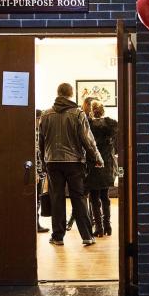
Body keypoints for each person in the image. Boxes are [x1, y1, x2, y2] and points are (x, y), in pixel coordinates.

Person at [39, 83, 103, 246]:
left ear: (58, 93)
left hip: (52, 161)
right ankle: (87, 236)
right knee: (78, 198)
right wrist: (97, 157)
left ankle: (58, 237)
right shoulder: (78, 113)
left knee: (57, 198)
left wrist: (44, 162)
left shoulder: (46, 114)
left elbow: (41, 141)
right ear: (71, 94)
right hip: (74, 162)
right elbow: (87, 140)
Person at [85, 100, 118, 237]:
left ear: (92, 111)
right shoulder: (111, 125)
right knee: (105, 196)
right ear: (103, 110)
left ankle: (98, 228)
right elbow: (116, 145)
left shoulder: (89, 125)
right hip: (107, 164)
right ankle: (108, 226)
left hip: (93, 164)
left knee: (94, 198)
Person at [66, 96, 96, 233]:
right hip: (87, 161)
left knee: (81, 195)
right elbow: (87, 142)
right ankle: (81, 223)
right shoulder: (84, 119)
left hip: (86, 161)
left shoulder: (83, 118)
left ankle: (74, 221)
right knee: (81, 195)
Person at [35, 109, 49, 233]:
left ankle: (36, 223)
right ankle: (35, 224)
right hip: (36, 172)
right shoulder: (34, 133)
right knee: (36, 199)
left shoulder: (39, 132)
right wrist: (36, 172)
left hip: (40, 171)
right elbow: (35, 154)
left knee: (38, 199)